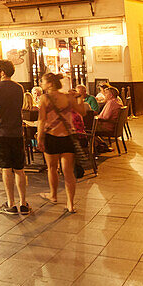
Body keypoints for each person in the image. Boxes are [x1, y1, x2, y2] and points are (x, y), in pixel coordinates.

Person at [38, 73, 85, 213]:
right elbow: (82, 111)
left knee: (52, 168)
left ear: (50, 84)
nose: (41, 84)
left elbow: (41, 120)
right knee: (68, 172)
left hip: (51, 136)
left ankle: (53, 195)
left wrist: (40, 138)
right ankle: (70, 204)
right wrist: (80, 97)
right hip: (67, 137)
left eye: (43, 81)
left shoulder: (44, 98)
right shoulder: (67, 97)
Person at [0, 60, 28, 216]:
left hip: (1, 133)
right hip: (17, 133)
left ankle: (11, 203)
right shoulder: (19, 88)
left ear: (2, 72)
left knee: (6, 169)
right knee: (19, 169)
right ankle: (23, 203)